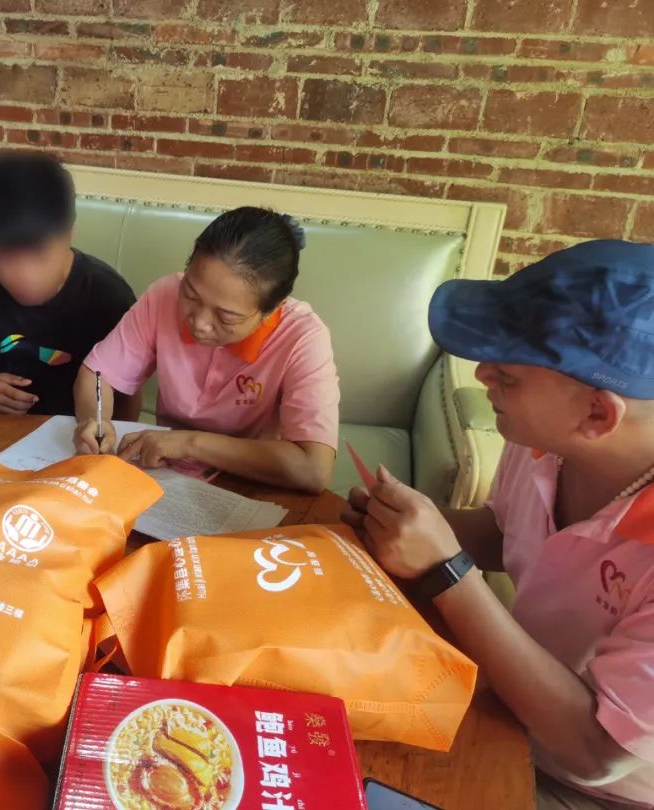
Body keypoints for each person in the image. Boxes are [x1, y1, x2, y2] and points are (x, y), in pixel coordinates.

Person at [342, 240, 654, 810]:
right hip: (507, 706)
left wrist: (447, 570)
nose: (483, 375)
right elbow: (506, 533)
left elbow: (597, 753)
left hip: (593, 788)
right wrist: (404, 525)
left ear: (597, 413)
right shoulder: (543, 444)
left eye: (508, 377)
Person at [73, 207, 340, 493]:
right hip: (164, 473)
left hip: (252, 484)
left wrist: (191, 443)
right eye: (190, 294)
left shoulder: (302, 337)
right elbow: (98, 374)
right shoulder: (165, 296)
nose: (199, 323)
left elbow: (314, 469)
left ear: (272, 309)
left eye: (226, 317)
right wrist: (95, 420)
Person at [0, 152, 137, 418]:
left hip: (75, 433)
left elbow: (125, 405)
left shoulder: (108, 296)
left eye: (40, 255)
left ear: (69, 234)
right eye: (4, 257)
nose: (24, 275)